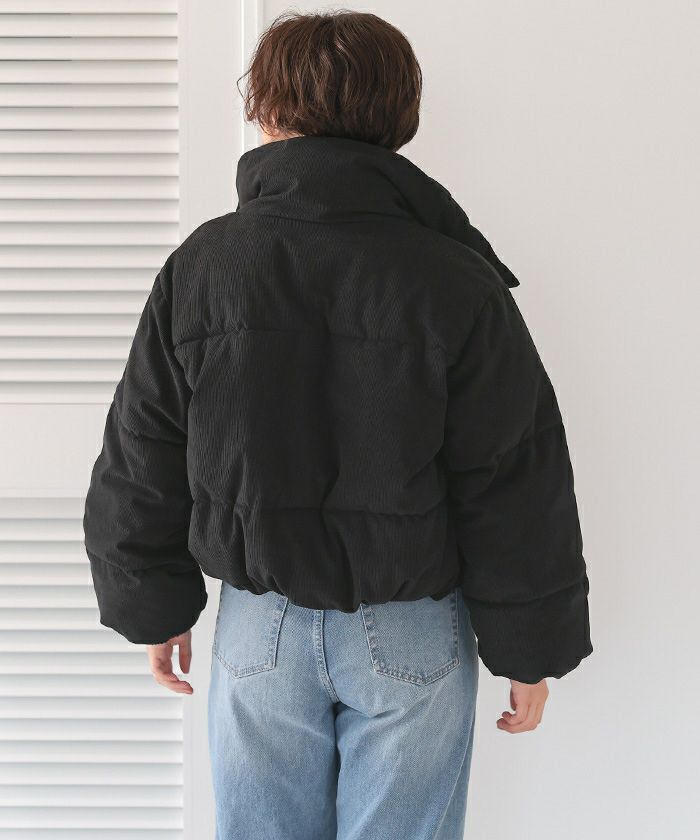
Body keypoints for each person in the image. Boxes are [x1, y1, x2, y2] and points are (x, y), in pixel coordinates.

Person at [83, 10, 592, 839]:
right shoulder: (455, 277)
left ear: (265, 109)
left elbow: (144, 451)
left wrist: (153, 603)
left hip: (260, 629)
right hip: (411, 629)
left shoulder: (205, 266)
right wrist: (530, 646)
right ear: (399, 115)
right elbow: (513, 477)